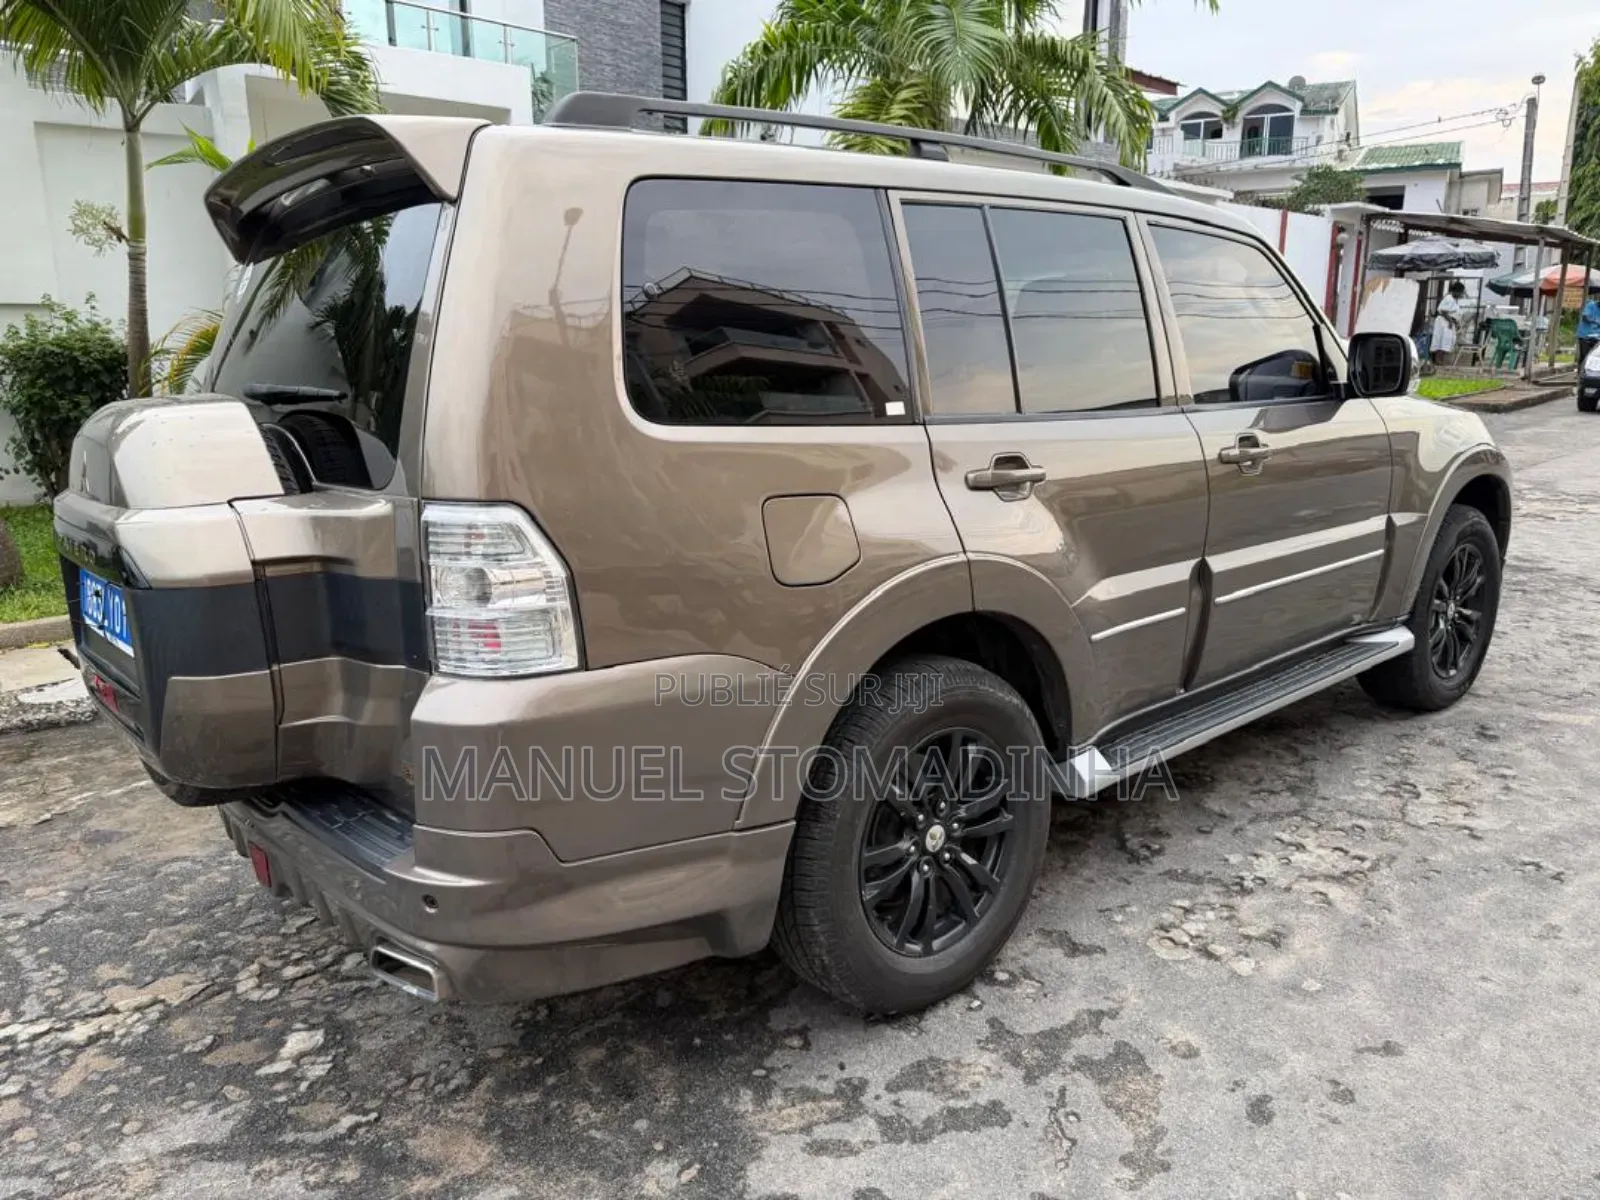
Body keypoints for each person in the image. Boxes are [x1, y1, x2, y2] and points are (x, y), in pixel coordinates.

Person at [1431, 281, 1467, 366]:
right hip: (1444, 322)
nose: (1461, 295)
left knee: (1446, 341)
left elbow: (1453, 313)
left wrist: (1456, 323)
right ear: (1457, 291)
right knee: (1442, 341)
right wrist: (1450, 321)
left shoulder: (1453, 300)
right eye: (1461, 292)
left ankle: (1440, 360)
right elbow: (1444, 311)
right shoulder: (1449, 298)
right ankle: (1438, 360)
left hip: (1448, 322)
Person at [1579, 290, 1600, 367]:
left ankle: (1592, 373)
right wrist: (1595, 321)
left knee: (1595, 357)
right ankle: (1581, 374)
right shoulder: (1591, 305)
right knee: (1585, 356)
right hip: (1585, 335)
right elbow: (1585, 317)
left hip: (1597, 337)